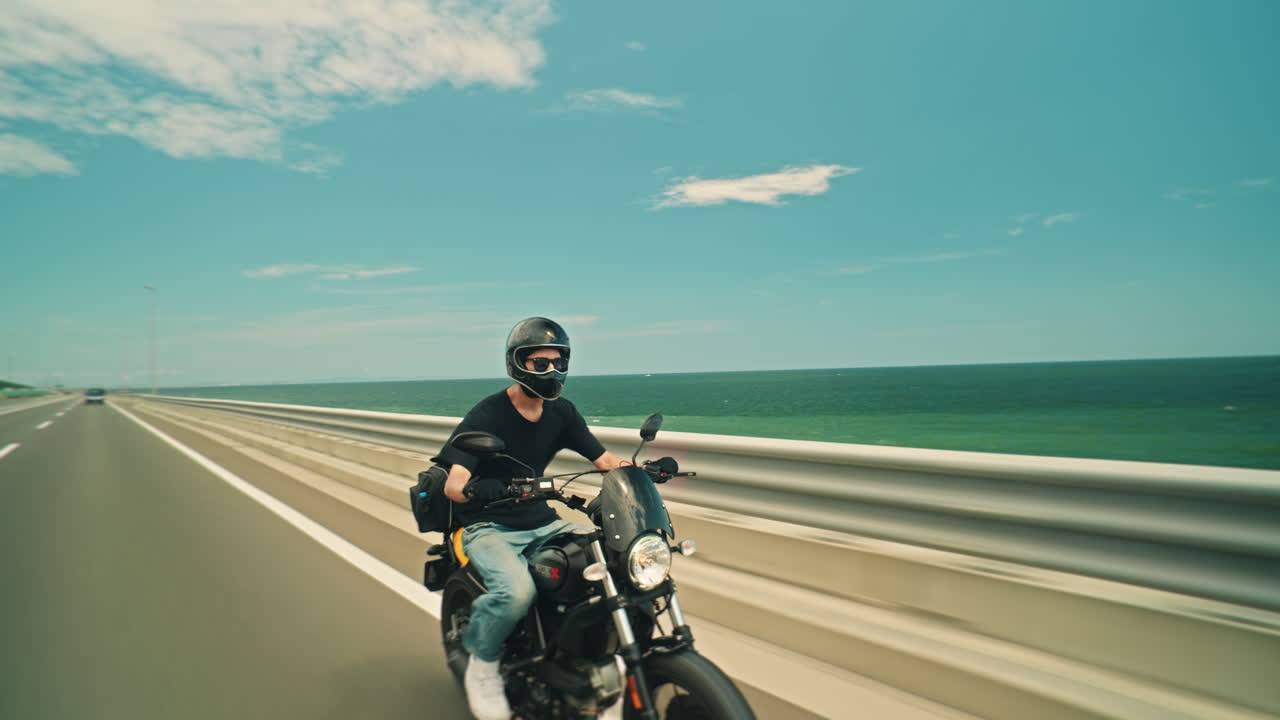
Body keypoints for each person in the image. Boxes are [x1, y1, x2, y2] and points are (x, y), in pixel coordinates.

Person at [434, 317, 630, 720]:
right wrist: (478, 488)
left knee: (609, 567)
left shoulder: (562, 413)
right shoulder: (489, 414)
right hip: (488, 526)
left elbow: (604, 460)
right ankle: (483, 666)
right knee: (516, 592)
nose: (551, 371)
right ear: (518, 364)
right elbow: (453, 485)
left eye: (558, 362)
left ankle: (590, 658)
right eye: (540, 363)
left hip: (542, 521)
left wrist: (642, 471)